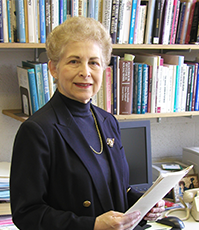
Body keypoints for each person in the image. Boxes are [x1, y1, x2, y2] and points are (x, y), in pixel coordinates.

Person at [10, 16, 165, 230]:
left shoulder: (108, 121)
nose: (85, 72)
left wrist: (143, 204)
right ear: (53, 68)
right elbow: (26, 214)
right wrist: (92, 225)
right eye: (74, 61)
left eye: (94, 62)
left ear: (103, 69)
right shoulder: (37, 130)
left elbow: (118, 190)